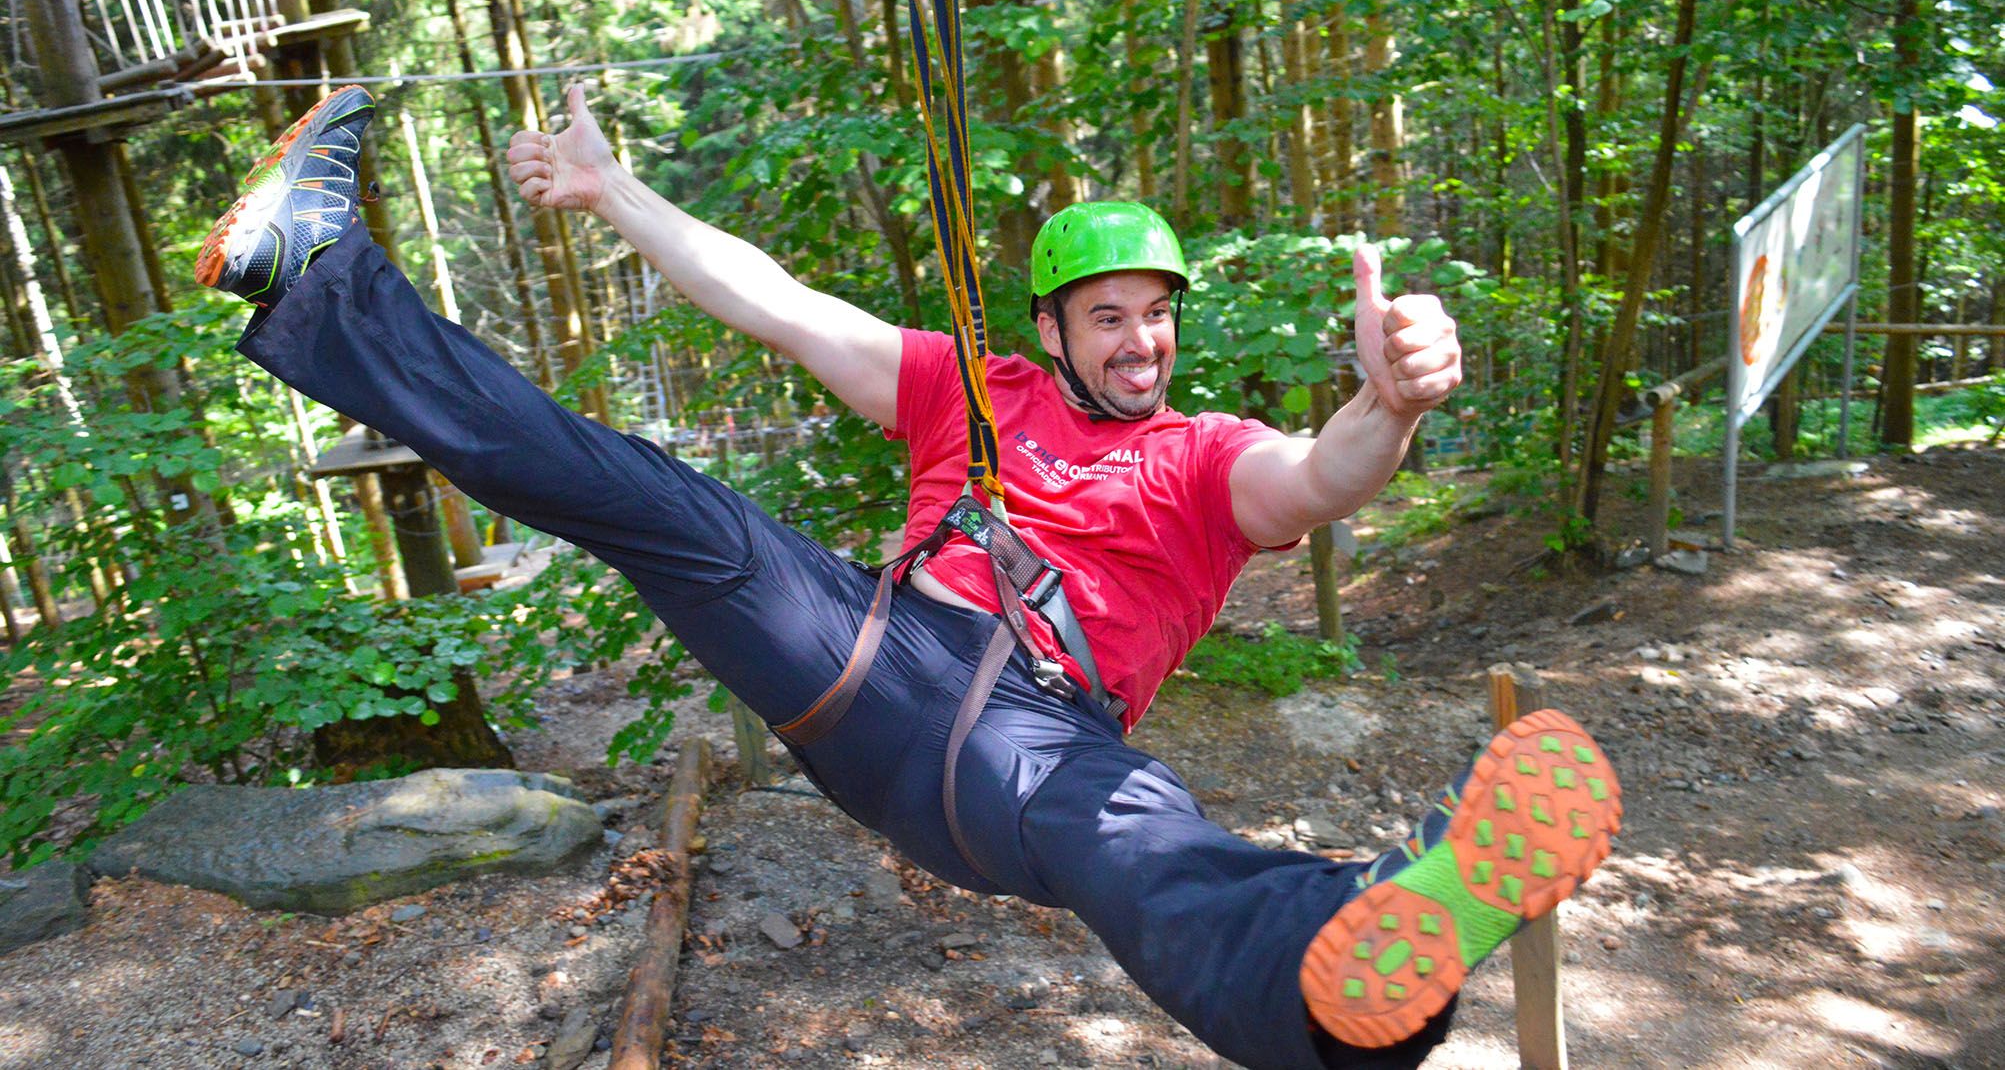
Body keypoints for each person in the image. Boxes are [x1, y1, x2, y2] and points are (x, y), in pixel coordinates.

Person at [197, 84, 1621, 1070]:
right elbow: (777, 301)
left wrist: (1394, 403)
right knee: (637, 492)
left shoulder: (1207, 457)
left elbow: (1319, 478)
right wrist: (612, 185)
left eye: (1155, 319)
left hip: (1033, 749)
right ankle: (315, 275)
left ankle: (1337, 965)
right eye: (1109, 317)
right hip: (866, 654)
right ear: (1052, 327)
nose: (1140, 343)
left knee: (1136, 838)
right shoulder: (970, 392)